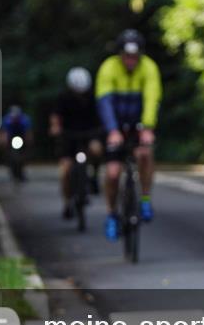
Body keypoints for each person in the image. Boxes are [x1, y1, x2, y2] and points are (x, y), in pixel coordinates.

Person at [95, 29, 162, 241]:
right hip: (115, 125)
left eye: (135, 56)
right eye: (127, 56)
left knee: (144, 154)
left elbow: (152, 98)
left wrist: (148, 127)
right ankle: (112, 214)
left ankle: (144, 199)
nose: (131, 60)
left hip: (138, 124)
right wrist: (112, 130)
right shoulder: (109, 68)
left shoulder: (149, 67)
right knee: (113, 173)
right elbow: (104, 103)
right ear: (120, 54)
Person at [49, 67, 103, 219]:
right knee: (65, 170)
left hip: (89, 134)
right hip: (68, 137)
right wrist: (55, 127)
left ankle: (94, 176)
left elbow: (101, 115)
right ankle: (67, 202)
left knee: (97, 150)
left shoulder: (93, 97)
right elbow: (56, 116)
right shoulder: (63, 97)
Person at [0, 105, 32, 182]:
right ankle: (13, 171)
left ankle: (21, 173)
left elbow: (28, 133)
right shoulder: (6, 120)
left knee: (22, 156)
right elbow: (4, 133)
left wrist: (29, 142)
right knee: (11, 155)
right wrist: (3, 142)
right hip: (11, 137)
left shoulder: (25, 120)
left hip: (21, 136)